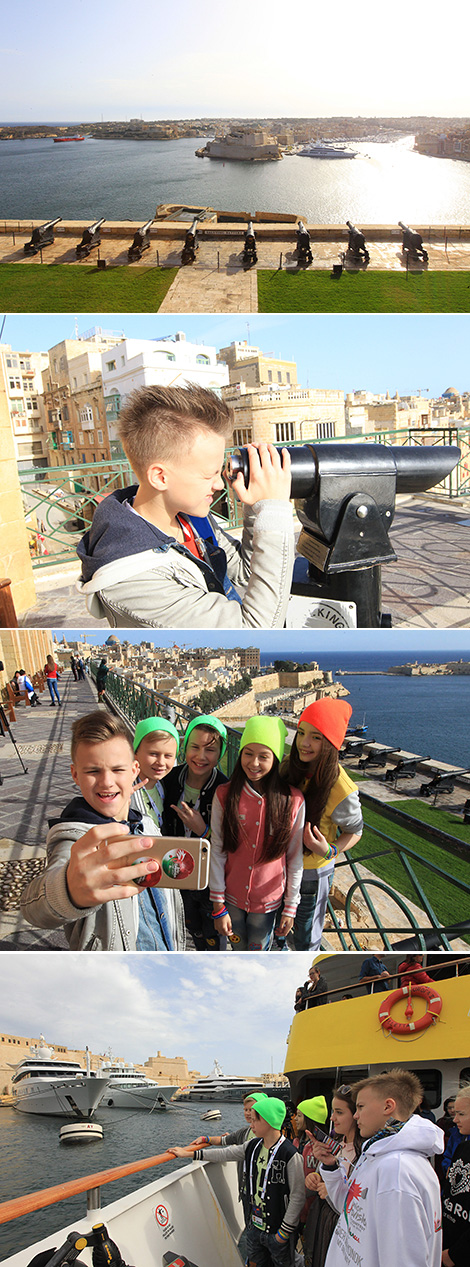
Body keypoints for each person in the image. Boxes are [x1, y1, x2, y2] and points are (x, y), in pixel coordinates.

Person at [76, 383, 294, 629]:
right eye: (208, 475)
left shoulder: (189, 516)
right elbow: (257, 631)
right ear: (160, 477)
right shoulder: (134, 582)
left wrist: (256, 509)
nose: (220, 485)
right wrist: (274, 512)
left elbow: (243, 573)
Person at [20, 711, 185, 951]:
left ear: (134, 770)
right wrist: (68, 891)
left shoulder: (146, 824)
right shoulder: (74, 838)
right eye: (93, 771)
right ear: (75, 774)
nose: (106, 782)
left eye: (118, 770)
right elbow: (34, 908)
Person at [311, 1069, 444, 1267]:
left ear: (388, 1106)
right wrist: (330, 1168)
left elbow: (403, 1261)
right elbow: (350, 1212)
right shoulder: (376, 1156)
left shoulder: (397, 1171)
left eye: (361, 1107)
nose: (356, 1115)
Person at [169, 1094, 305, 1267]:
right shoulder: (253, 1146)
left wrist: (283, 1233)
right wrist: (189, 1153)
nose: (251, 1124)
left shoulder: (290, 1155)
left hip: (277, 1230)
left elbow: (298, 1196)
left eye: (256, 1120)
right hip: (254, 1226)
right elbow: (225, 1153)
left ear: (269, 1122)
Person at [209, 716, 305, 951]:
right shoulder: (224, 795)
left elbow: (294, 858)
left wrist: (291, 906)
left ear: (276, 759)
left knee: (258, 951)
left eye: (264, 756)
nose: (254, 763)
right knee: (238, 950)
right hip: (231, 898)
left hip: (268, 902)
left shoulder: (293, 800)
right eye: (248, 753)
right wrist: (218, 903)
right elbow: (218, 851)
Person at [281, 698, 363, 952]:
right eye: (301, 733)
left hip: (311, 873)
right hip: (278, 865)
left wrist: (329, 850)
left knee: (306, 933)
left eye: (316, 737)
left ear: (330, 744)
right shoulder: (289, 766)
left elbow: (355, 831)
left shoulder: (341, 788)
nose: (304, 743)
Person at [162, 715, 228, 950]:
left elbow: (232, 842)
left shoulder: (225, 789)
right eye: (195, 747)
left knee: (213, 937)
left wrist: (204, 830)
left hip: (210, 880)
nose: (201, 757)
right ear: (185, 747)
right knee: (189, 926)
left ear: (220, 754)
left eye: (210, 750)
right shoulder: (168, 780)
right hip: (175, 874)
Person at [302, 1087, 362, 1267]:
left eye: (339, 1112)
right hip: (325, 1222)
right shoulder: (337, 1145)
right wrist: (314, 1178)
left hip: (341, 1229)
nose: (332, 1118)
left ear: (356, 1114)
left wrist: (329, 1190)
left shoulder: (364, 1155)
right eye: (333, 1111)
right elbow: (324, 1175)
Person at [131, 716, 180, 833]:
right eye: (153, 754)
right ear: (135, 753)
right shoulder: (127, 790)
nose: (161, 762)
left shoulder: (164, 784)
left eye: (168, 756)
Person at [441, 1084, 470, 1267]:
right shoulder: (461, 1147)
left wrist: (454, 1255)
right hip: (448, 1239)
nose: (455, 1119)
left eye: (462, 1114)